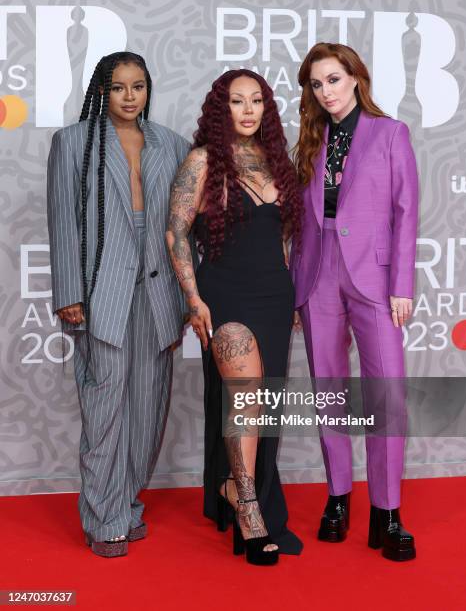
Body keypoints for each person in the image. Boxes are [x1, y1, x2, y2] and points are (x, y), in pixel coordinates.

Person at [47, 51, 190, 557]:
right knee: (105, 410)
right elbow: (64, 221)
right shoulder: (72, 143)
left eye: (138, 86)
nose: (129, 97)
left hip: (157, 295)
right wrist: (68, 293)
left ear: (148, 90)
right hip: (99, 295)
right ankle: (103, 517)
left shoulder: (170, 145)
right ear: (102, 92)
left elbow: (183, 228)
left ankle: (126, 504)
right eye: (118, 87)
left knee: (148, 412)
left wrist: (191, 296)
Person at [166, 69, 303, 565]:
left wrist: (291, 296)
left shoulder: (277, 163)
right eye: (237, 102)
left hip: (274, 295)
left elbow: (283, 239)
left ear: (266, 109)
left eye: (256, 102)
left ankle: (236, 485)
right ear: (221, 110)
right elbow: (176, 233)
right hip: (225, 295)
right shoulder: (202, 160)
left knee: (260, 405)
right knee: (243, 400)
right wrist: (193, 298)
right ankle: (247, 507)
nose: (248, 110)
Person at [291, 42, 418, 561]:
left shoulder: (391, 133)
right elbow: (297, 220)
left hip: (375, 275)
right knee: (329, 391)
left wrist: (402, 285)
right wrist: (296, 282)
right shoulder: (309, 140)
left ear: (356, 78)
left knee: (385, 394)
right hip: (319, 275)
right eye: (317, 85)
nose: (327, 92)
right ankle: (338, 500)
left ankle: (387, 515)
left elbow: (406, 211)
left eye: (334, 80)